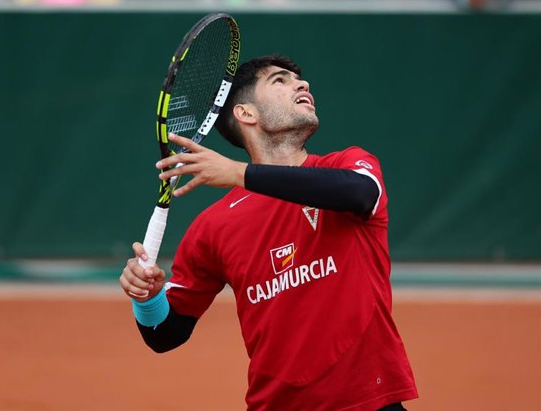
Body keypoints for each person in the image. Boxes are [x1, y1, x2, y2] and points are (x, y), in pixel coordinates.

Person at [120, 55, 419, 410]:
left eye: (299, 79)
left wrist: (240, 173)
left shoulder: (347, 166)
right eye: (280, 80)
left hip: (371, 402)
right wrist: (148, 298)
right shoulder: (213, 227)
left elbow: (360, 193)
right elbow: (164, 335)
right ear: (246, 113)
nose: (302, 84)